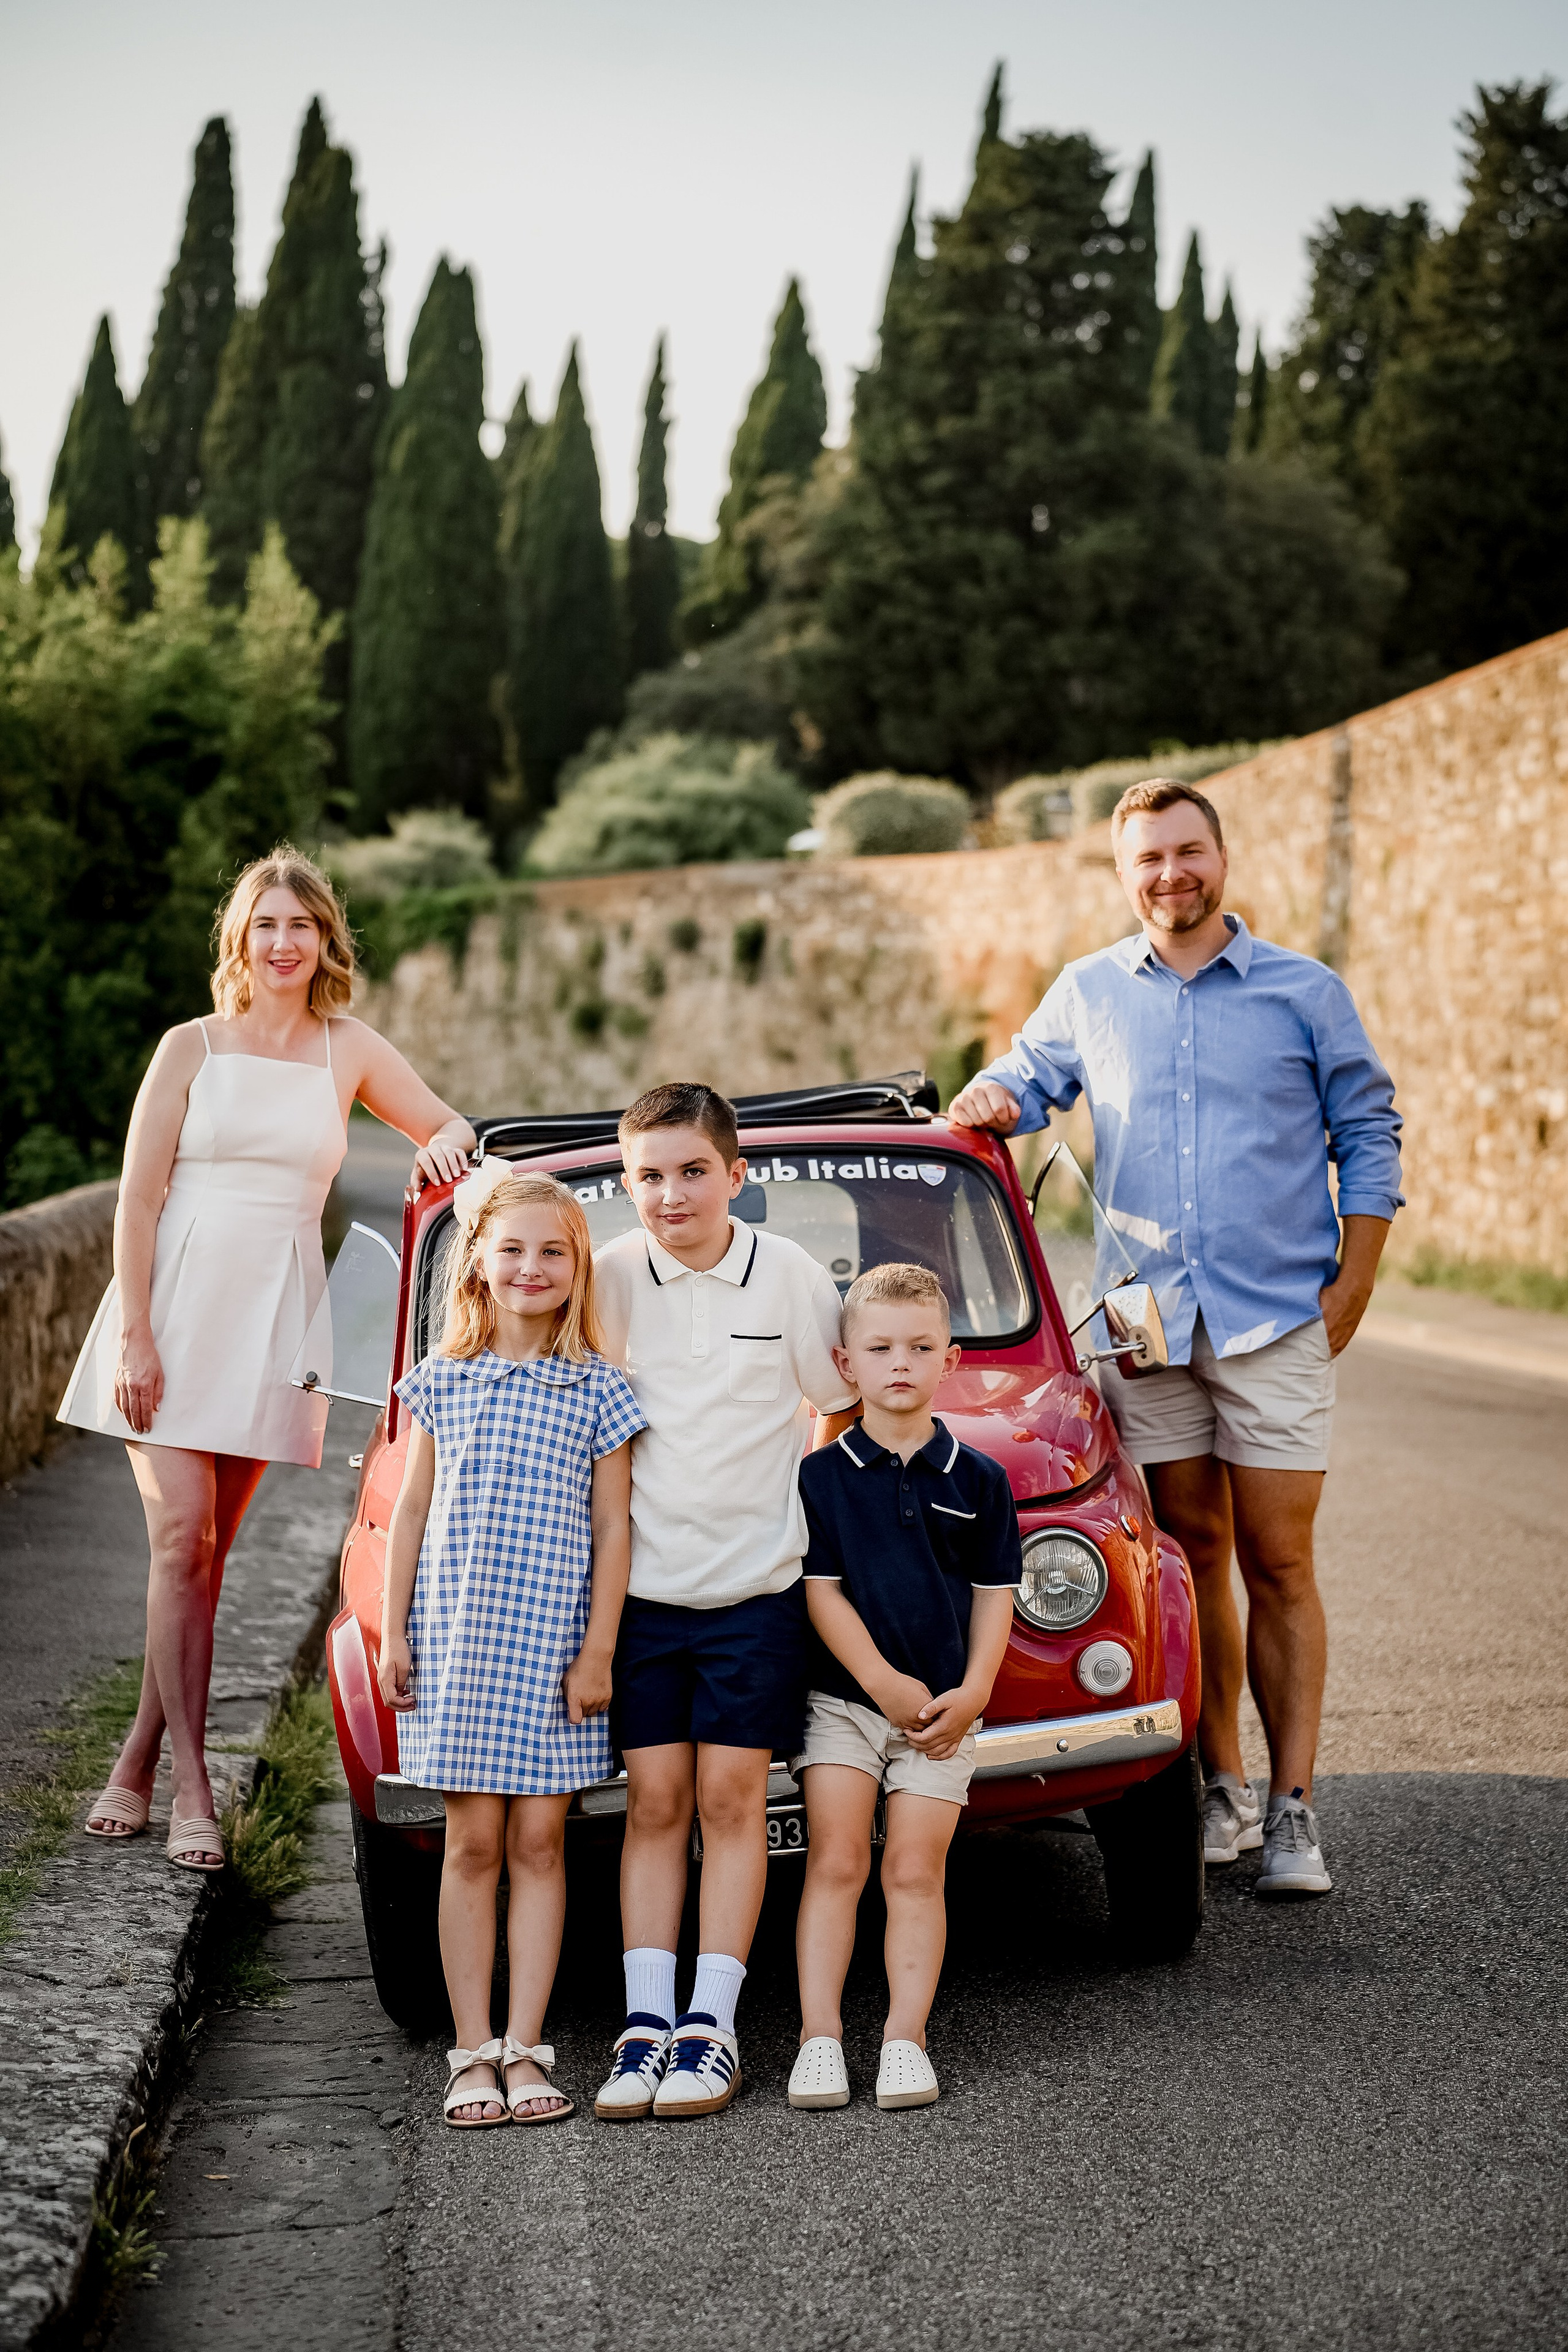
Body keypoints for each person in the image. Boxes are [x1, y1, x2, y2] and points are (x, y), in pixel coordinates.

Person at [948, 780, 1403, 1899]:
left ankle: (1295, 1809)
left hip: (1276, 1317)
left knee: (1279, 1560)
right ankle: (1223, 1787)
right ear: (1124, 873)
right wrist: (989, 1094)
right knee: (1189, 1559)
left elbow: (1369, 1131)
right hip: (1146, 1330)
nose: (1170, 875)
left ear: (1222, 857)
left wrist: (1356, 1279)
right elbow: (1025, 1078)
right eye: (1148, 858)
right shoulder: (1089, 990)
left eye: (1187, 851)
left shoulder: (1305, 991)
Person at [59, 846, 475, 1872]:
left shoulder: (349, 1048)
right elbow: (138, 1199)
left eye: (302, 926)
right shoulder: (189, 1047)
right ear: (239, 940)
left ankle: (136, 1759)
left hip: (277, 1323)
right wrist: (137, 1333)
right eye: (266, 926)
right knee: (179, 1543)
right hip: (174, 1310)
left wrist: (438, 1145)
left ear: (326, 940)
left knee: (203, 1563)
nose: (284, 943)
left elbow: (449, 1125)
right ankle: (192, 1790)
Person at [590, 1082, 857, 2120]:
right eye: (649, 1176)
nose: (672, 1194)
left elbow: (836, 1409)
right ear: (628, 1184)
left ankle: (713, 2025)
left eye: (694, 1171)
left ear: (736, 1175)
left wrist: (789, 1518)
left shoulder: (789, 1276)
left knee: (733, 1804)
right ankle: (644, 2023)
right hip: (644, 1595)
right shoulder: (609, 1277)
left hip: (755, 1592)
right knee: (655, 1805)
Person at [377, 1167, 644, 2127]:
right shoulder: (442, 1382)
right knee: (472, 1844)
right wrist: (394, 1631)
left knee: (539, 1844)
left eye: (554, 1252)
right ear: (479, 1264)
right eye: (514, 1248)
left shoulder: (600, 1390)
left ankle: (527, 2047)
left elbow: (613, 1528)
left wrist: (599, 1650)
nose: (533, 1267)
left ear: (578, 1269)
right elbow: (410, 1513)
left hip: (554, 1647)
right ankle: (471, 2052)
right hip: (457, 1644)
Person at [788, 1263, 1017, 2114]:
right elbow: (822, 1593)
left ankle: (905, 2039)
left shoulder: (979, 1478)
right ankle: (818, 2038)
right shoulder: (820, 1478)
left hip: (944, 1714)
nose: (900, 1364)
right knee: (838, 1861)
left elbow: (995, 1596)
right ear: (845, 1363)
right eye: (880, 1348)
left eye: (921, 1348)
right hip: (843, 1705)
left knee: (916, 1870)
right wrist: (880, 1681)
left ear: (949, 1360)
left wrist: (976, 1691)